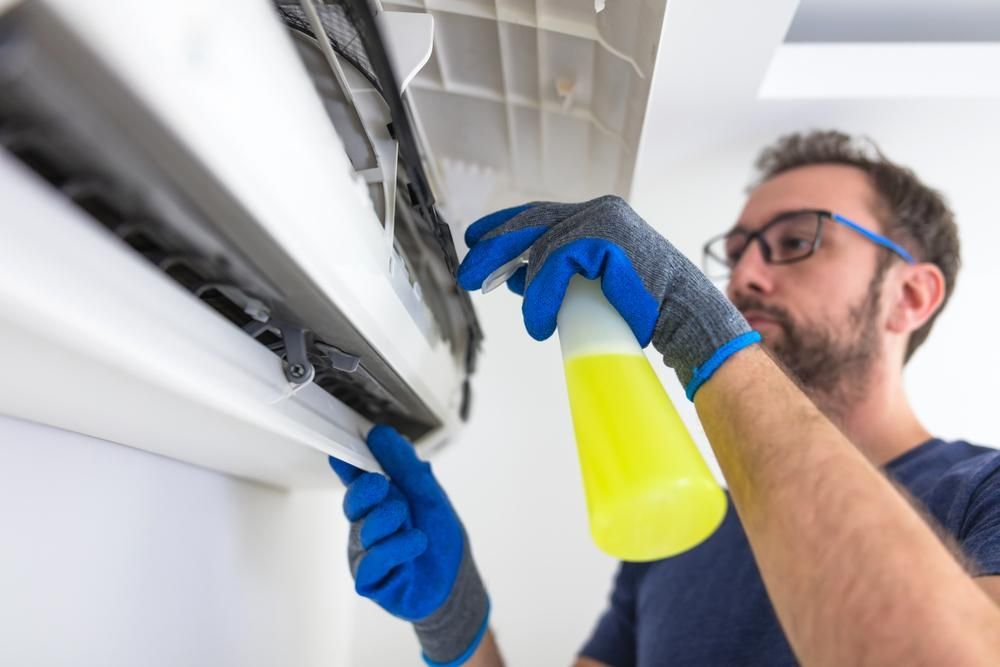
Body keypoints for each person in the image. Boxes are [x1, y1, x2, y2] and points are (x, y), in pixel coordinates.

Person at [328, 130, 1000, 666]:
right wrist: (458, 627)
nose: (747, 277)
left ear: (912, 294)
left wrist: (704, 336)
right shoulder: (679, 521)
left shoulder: (984, 495)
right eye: (735, 256)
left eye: (795, 241)